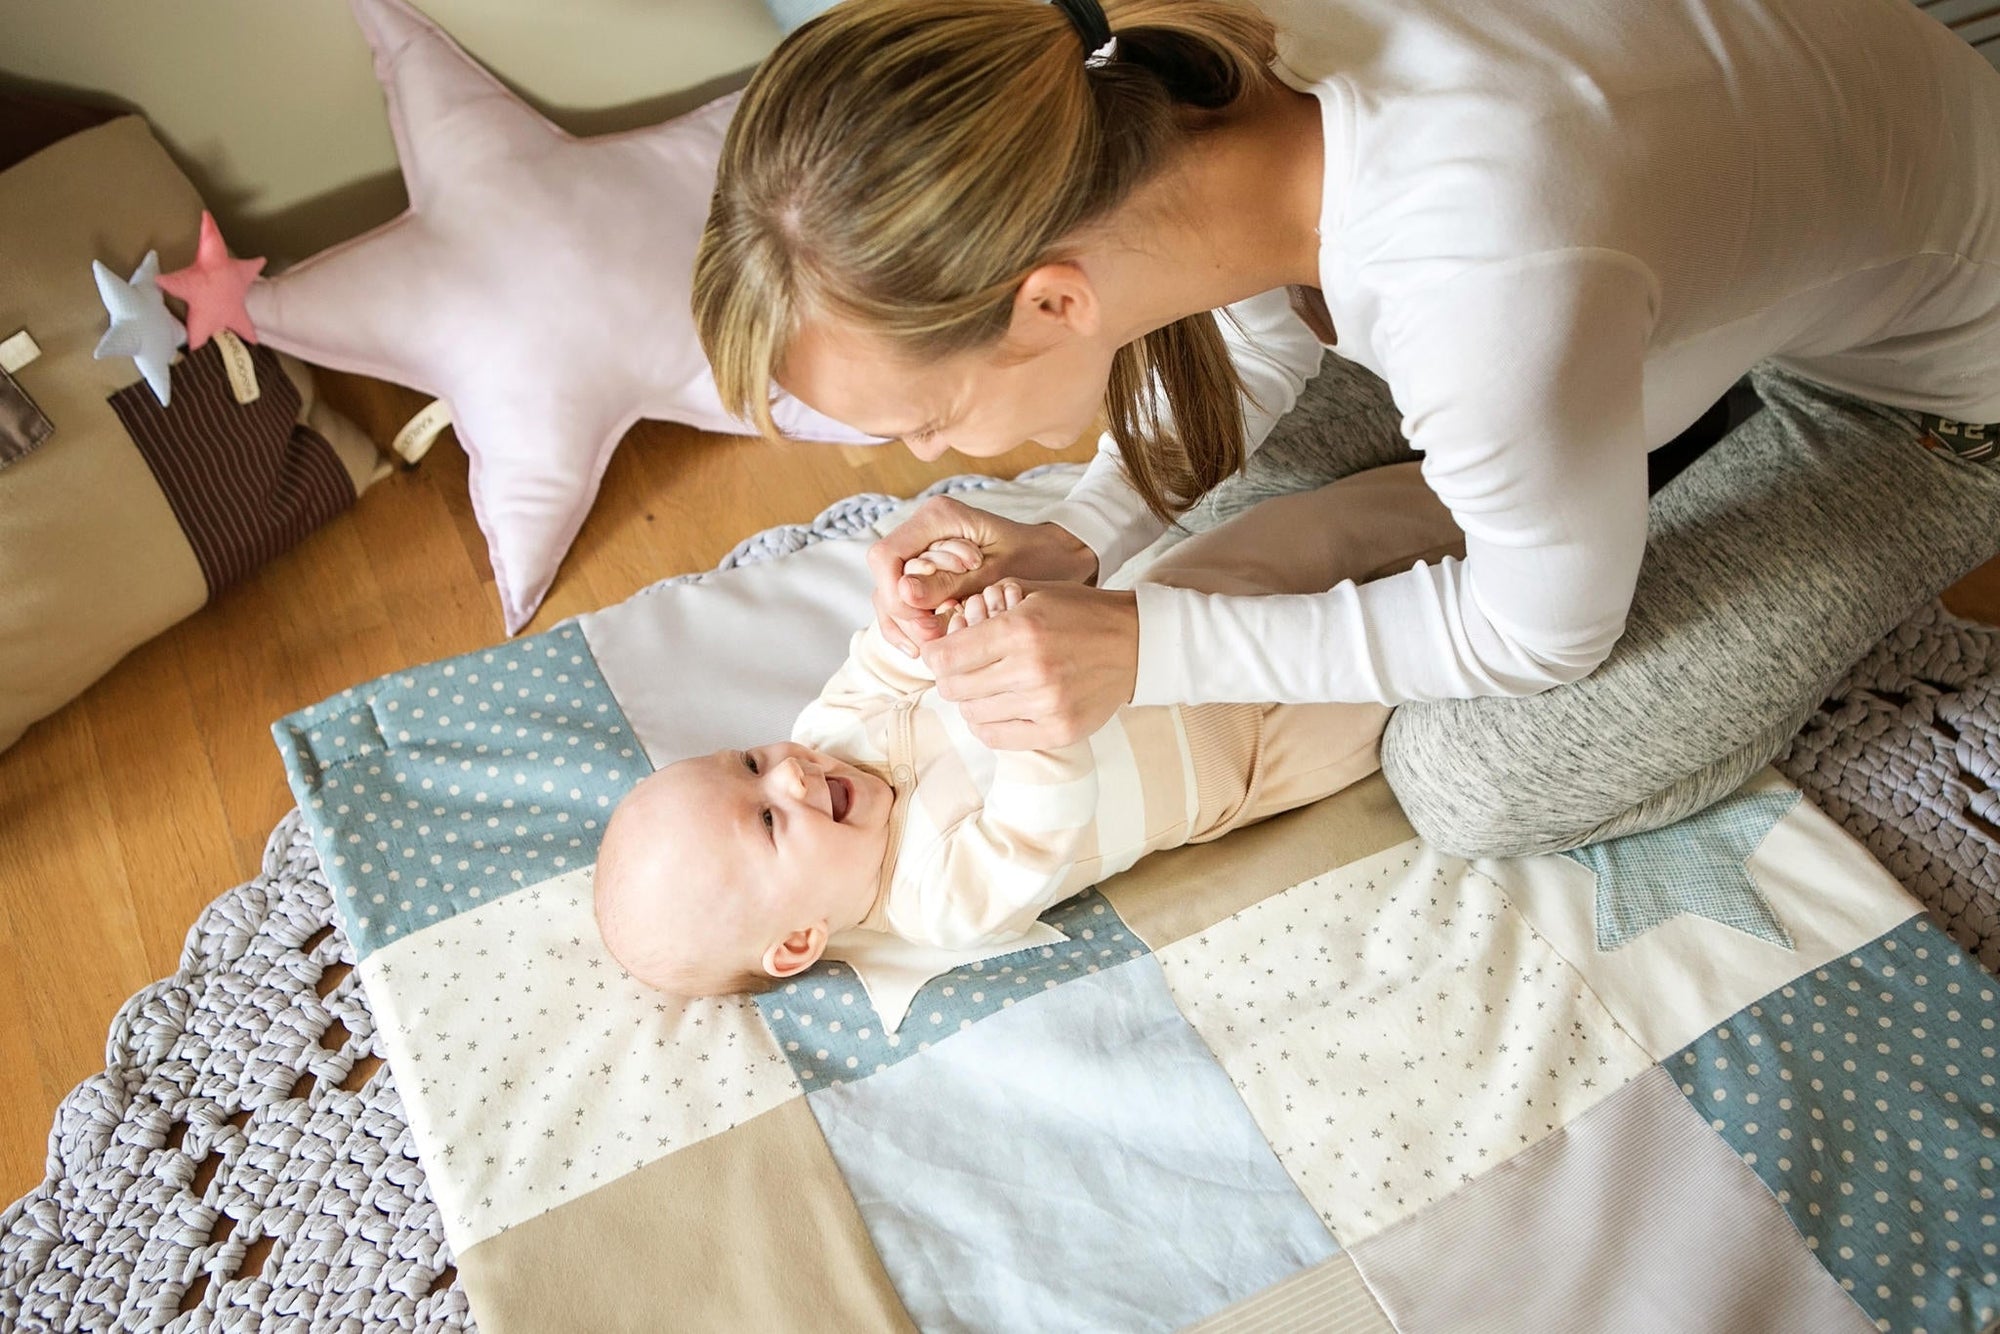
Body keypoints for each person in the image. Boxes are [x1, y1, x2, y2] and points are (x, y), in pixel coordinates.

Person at [690, 0, 2000, 858]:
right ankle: (1605, 442)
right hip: (1707, 228)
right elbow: (1256, 322)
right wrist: (1080, 535)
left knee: (1474, 781)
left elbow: (1542, 638)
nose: (926, 460)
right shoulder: (1189, 76)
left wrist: (1150, 647)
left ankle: (1660, 442)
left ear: (1053, 302)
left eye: (927, 420)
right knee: (1227, 513)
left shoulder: (1482, 269)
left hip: (1921, 394)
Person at [593, 464, 1460, 996]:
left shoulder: (829, 739)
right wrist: (1029, 713)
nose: (785, 774)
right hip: (1246, 751)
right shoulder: (936, 904)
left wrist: (919, 616)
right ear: (797, 942)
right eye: (769, 821)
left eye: (748, 761)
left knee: (1321, 530)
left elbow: (884, 665)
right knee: (1403, 671)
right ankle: (1501, 607)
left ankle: (1459, 488)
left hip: (1165, 605)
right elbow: (1039, 822)